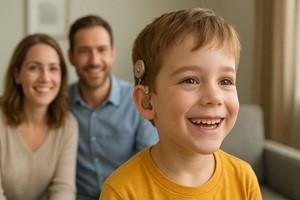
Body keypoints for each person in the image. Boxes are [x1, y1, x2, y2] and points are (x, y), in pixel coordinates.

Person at [100, 8, 262, 199]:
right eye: (190, 80)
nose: (214, 96)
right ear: (147, 102)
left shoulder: (244, 179)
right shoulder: (122, 191)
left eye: (225, 81)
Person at [68, 15, 158, 199]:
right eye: (84, 51)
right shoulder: (58, 103)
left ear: (112, 53)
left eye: (101, 50)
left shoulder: (139, 102)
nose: (94, 60)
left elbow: (148, 167)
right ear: (71, 56)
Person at [0, 33, 78, 200]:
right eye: (34, 67)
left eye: (53, 68)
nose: (45, 78)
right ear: (17, 75)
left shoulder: (68, 125)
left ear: (61, 76)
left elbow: (63, 189)